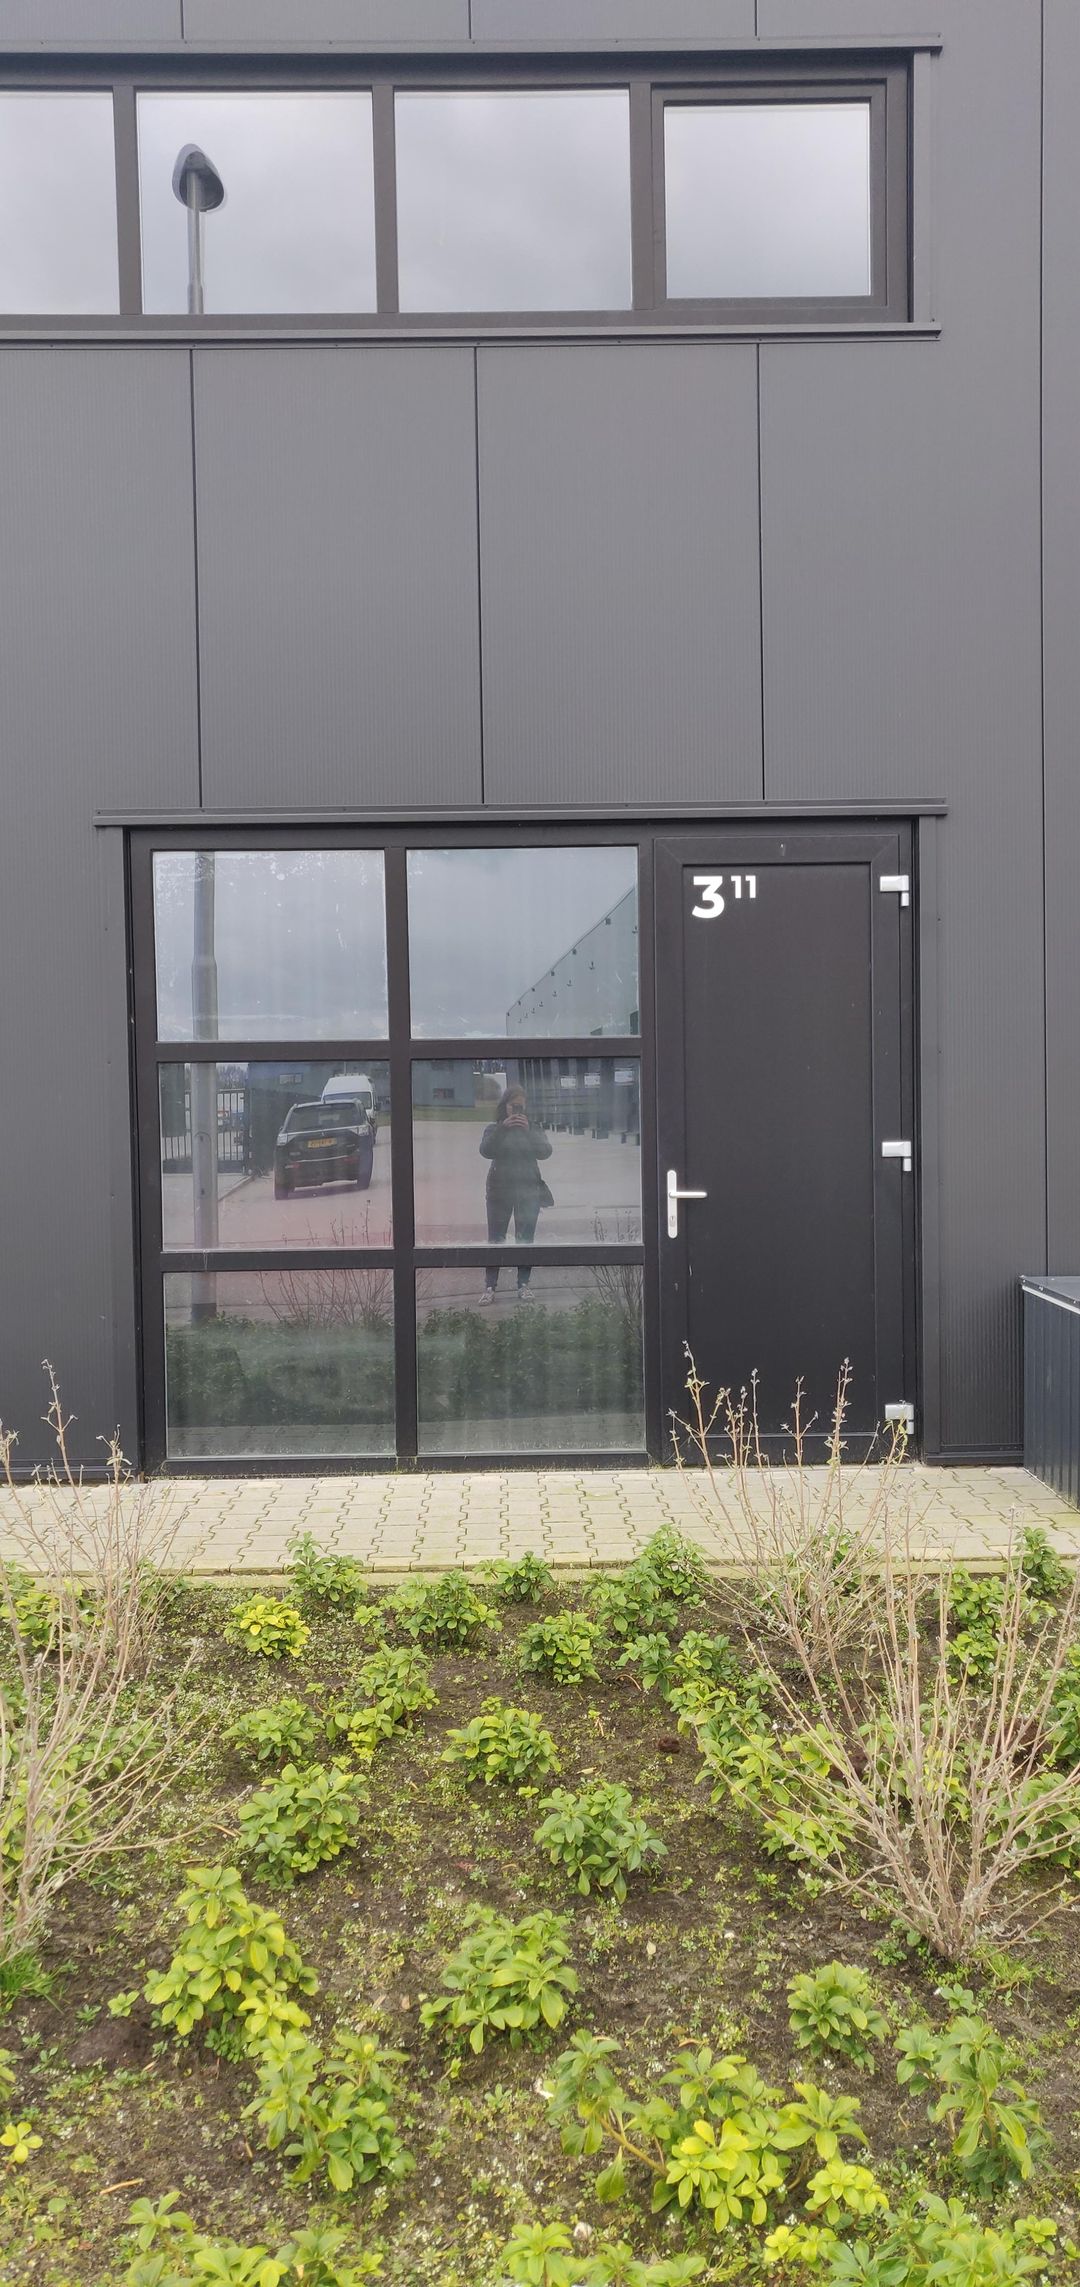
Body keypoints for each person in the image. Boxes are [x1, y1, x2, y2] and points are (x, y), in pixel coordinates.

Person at [477, 1084, 553, 1302]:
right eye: (513, 1106)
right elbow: (485, 1150)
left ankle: (523, 1285)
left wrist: (528, 1131)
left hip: (528, 1190)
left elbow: (545, 1152)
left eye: (521, 1107)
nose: (517, 1111)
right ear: (505, 1106)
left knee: (526, 1239)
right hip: (499, 1191)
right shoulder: (494, 1129)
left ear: (526, 1107)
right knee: (495, 1238)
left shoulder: (534, 1128)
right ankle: (490, 1287)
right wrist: (503, 1128)